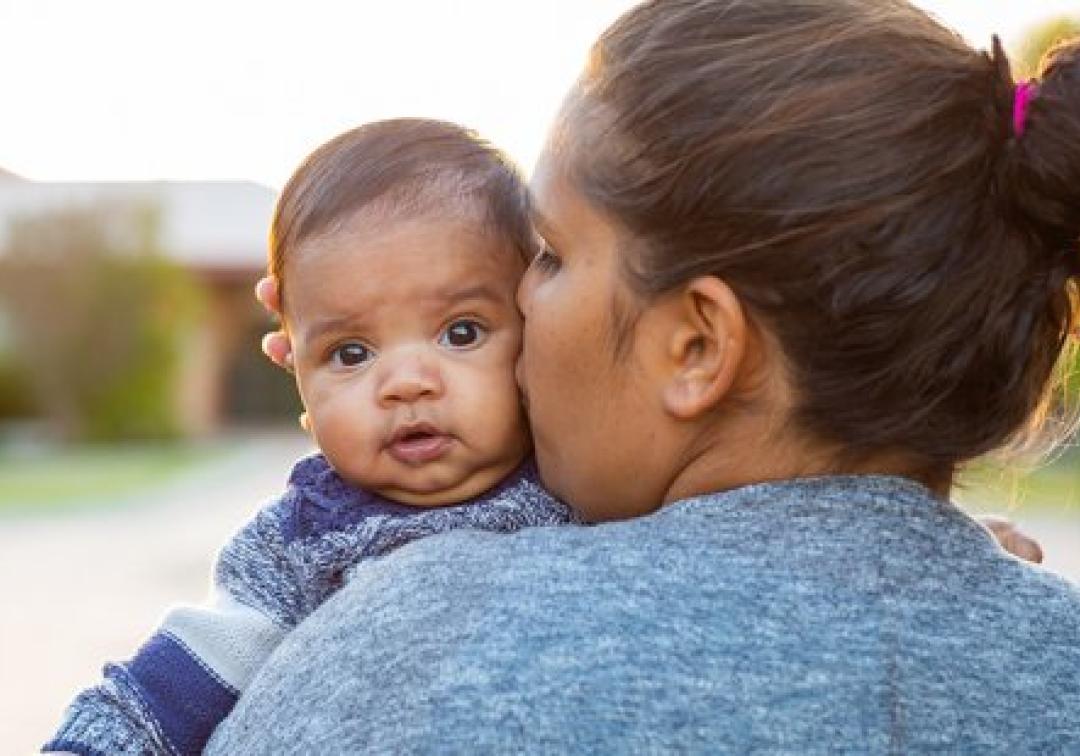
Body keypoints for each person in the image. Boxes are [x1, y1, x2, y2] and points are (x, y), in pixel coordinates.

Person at [205, 0, 1080, 752]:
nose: (514, 307)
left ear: (697, 347)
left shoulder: (419, 642)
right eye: (351, 352)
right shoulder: (1054, 656)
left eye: (548, 255)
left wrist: (355, 353)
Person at [43, 119, 573, 756]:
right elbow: (164, 693)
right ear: (295, 370)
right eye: (350, 352)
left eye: (460, 332)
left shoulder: (585, 478)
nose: (405, 383)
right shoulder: (302, 540)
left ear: (536, 327)